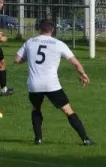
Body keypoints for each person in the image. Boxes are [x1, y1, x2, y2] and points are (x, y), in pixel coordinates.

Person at [14, 18, 95, 146]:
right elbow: (75, 62)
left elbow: (17, 60)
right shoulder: (58, 44)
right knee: (68, 111)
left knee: (36, 108)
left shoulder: (30, 42)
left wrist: (28, 58)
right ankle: (85, 139)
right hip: (51, 85)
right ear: (53, 30)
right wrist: (83, 74)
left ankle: (38, 139)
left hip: (34, 84)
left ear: (39, 29)